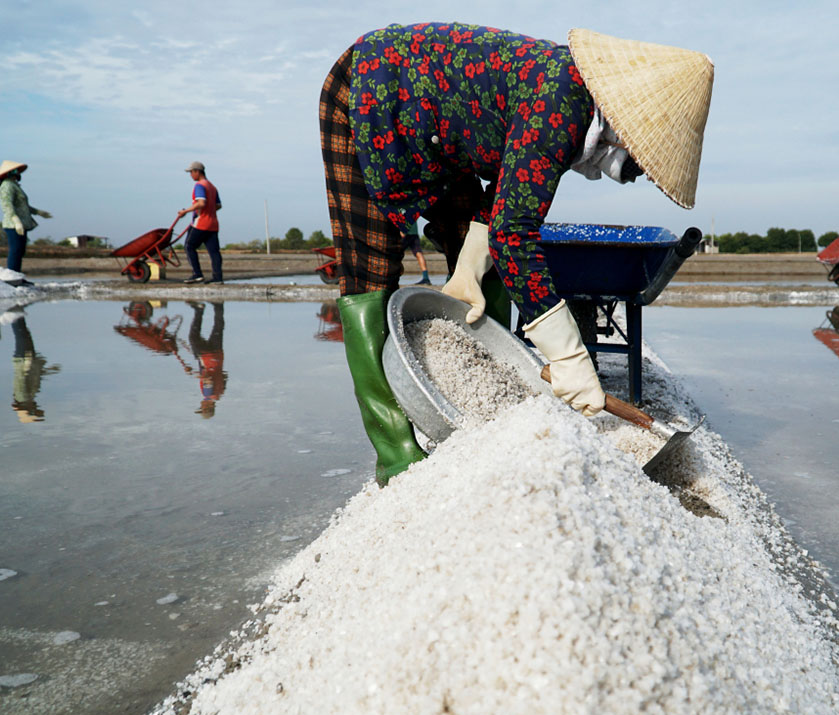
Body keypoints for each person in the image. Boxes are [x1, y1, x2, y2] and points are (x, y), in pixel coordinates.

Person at [320, 22, 713, 483]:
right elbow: (513, 235)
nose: (635, 172)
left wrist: (468, 265)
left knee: (485, 267)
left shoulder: (572, 102)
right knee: (369, 266)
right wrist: (568, 358)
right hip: (369, 92)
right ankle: (397, 458)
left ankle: (488, 413)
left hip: (432, 128)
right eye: (642, 163)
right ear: (631, 129)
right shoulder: (561, 103)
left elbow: (507, 198)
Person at [0, 307, 60, 422]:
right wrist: (49, 370)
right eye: (36, 409)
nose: (36, 407)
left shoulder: (22, 397)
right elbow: (34, 376)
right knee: (23, 333)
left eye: (34, 410)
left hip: (22, 360)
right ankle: (13, 310)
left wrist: (27, 363)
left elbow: (22, 378)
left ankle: (13, 310)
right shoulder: (27, 397)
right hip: (25, 360)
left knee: (22, 333)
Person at [0, 160, 53, 284]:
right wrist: (15, 220)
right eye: (15, 171)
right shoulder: (7, 185)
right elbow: (7, 205)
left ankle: (17, 277)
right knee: (15, 249)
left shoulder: (15, 185)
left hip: (22, 223)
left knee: (20, 250)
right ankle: (12, 278)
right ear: (9, 173)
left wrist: (38, 212)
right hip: (13, 225)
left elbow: (23, 206)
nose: (17, 173)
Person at [176, 161, 223, 284]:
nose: (191, 175)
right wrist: (208, 210)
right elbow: (218, 205)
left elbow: (201, 203)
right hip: (213, 224)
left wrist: (186, 211)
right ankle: (218, 278)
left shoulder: (199, 186)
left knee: (189, 246)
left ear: (197, 172)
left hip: (201, 223)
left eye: (191, 172)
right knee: (214, 252)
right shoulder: (212, 187)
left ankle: (197, 274)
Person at [186, 301, 227, 418]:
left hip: (218, 356)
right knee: (193, 337)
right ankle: (199, 310)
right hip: (207, 357)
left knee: (218, 327)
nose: (200, 404)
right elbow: (208, 380)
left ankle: (218, 305)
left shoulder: (220, 393)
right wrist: (193, 373)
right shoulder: (208, 393)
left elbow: (224, 376)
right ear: (207, 406)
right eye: (202, 407)